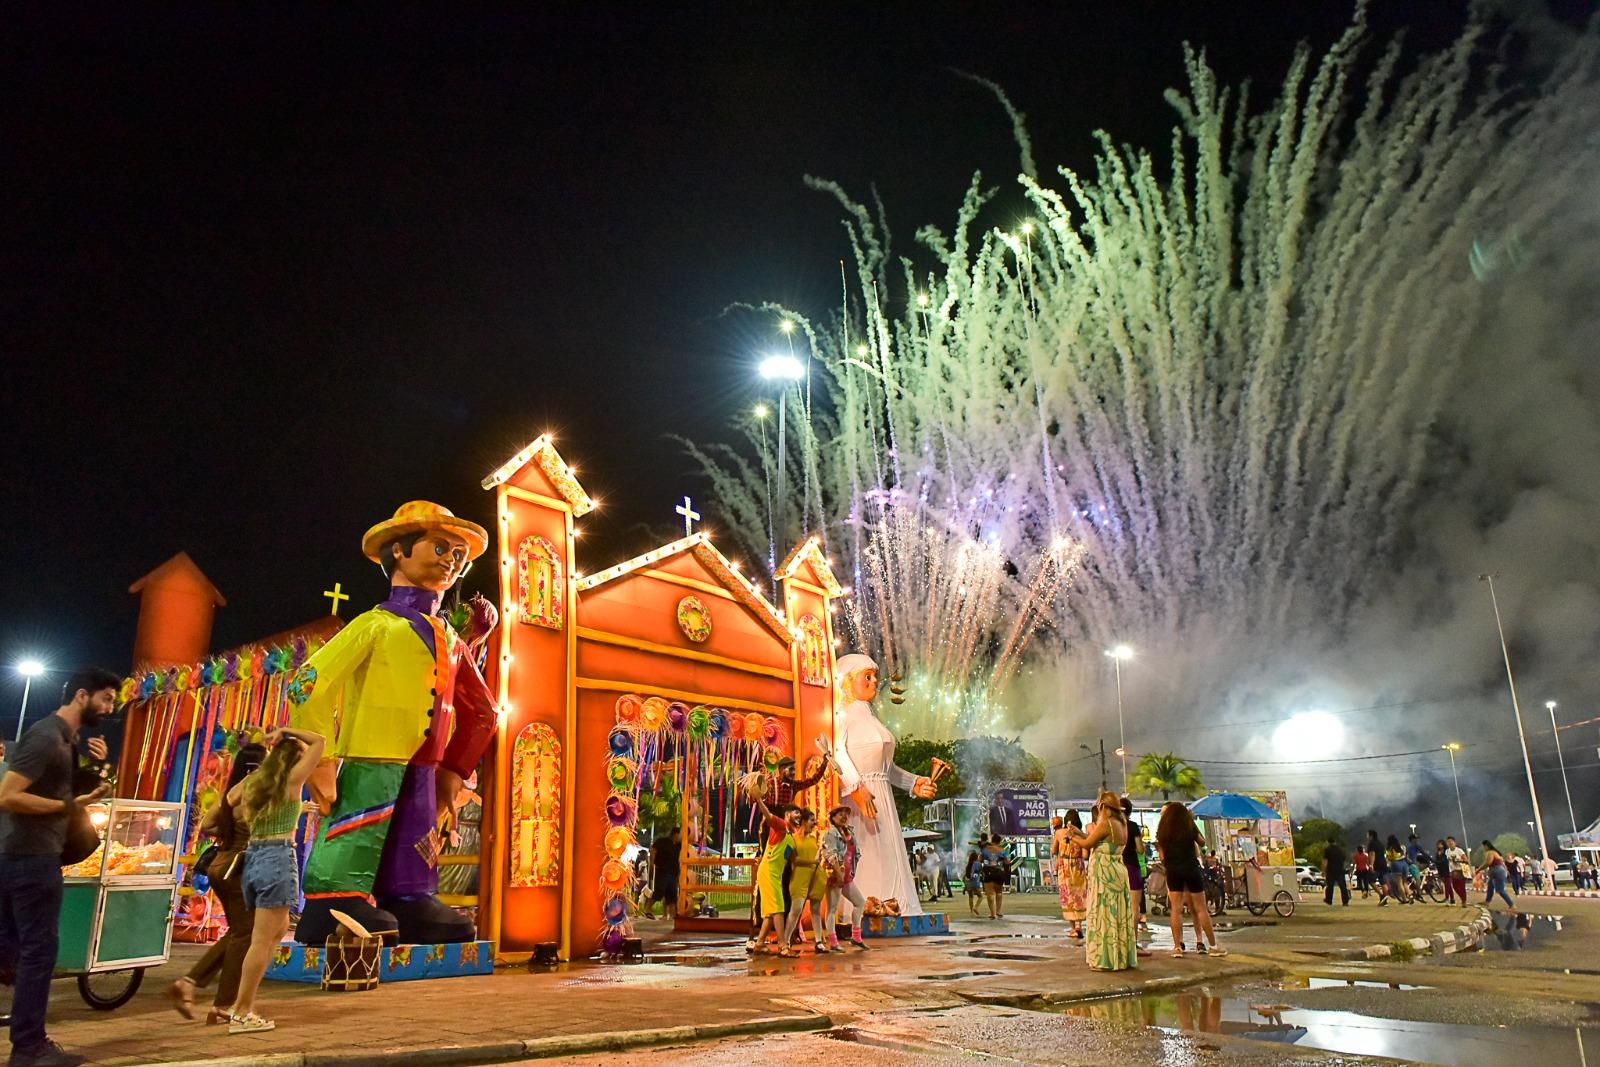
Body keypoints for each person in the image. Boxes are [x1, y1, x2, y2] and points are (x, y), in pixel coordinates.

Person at [285, 502, 498, 945]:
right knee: (356, 826)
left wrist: (453, 770)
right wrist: (318, 757)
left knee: (415, 844)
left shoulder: (451, 640)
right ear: (398, 551)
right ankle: (331, 901)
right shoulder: (375, 625)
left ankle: (410, 899)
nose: (451, 560)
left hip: (424, 765)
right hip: (370, 755)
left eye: (459, 555)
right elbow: (307, 682)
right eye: (441, 546)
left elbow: (484, 711)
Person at [0, 667, 118, 1067]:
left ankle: (28, 1043)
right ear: (82, 695)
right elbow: (9, 795)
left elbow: (54, 788)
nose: (109, 708)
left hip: (32, 855)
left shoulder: (67, 740)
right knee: (38, 952)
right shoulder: (47, 735)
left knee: (15, 950)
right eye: (106, 699)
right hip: (30, 859)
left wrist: (95, 775)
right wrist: (70, 807)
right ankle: (29, 1048)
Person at [223, 727, 323, 1033]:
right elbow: (320, 741)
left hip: (254, 857)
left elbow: (229, 798)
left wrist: (261, 767)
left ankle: (242, 1007)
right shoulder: (292, 782)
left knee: (277, 931)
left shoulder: (256, 783)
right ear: (294, 761)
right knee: (262, 940)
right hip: (277, 857)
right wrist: (285, 731)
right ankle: (242, 1010)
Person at [829, 654, 936, 915]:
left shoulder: (871, 717)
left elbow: (886, 769)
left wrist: (913, 783)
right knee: (867, 854)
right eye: (867, 676)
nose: (875, 681)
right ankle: (861, 907)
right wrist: (855, 787)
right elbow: (836, 752)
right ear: (847, 681)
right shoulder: (841, 716)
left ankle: (895, 902)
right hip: (859, 801)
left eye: (875, 676)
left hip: (882, 795)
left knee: (889, 853)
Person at [168, 743, 268, 1022]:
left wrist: (229, 833)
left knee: (237, 932)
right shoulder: (253, 793)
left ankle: (189, 983)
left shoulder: (231, 792)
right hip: (238, 869)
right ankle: (222, 1005)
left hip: (220, 866)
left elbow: (207, 826)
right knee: (245, 935)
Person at [1155, 801, 1224, 958]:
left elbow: (1163, 855)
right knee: (1201, 908)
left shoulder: (1163, 829)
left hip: (1173, 870)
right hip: (1190, 868)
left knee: (1176, 909)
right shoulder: (1188, 825)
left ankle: (1177, 947)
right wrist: (1192, 823)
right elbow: (1202, 842)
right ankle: (1213, 946)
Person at [1082, 792, 1137, 971]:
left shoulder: (1106, 824)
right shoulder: (1122, 824)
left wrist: (1073, 836)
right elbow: (1095, 841)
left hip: (1104, 872)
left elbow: (1087, 844)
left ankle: (1105, 959)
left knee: (1103, 913)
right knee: (1119, 913)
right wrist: (1079, 834)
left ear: (1104, 807)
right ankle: (1120, 957)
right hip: (1118, 870)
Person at [750, 800, 799, 955]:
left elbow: (795, 861)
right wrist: (758, 800)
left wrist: (816, 861)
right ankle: (783, 946)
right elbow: (768, 816)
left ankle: (759, 944)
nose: (798, 815)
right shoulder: (780, 826)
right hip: (768, 872)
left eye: (800, 813)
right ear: (787, 815)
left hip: (775, 875)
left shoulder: (792, 838)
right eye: (795, 812)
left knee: (771, 913)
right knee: (778, 909)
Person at [782, 809, 830, 953]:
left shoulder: (813, 839)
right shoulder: (792, 839)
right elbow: (793, 859)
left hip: (815, 877)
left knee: (815, 909)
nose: (814, 823)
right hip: (799, 878)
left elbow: (817, 859)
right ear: (803, 821)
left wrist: (821, 856)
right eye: (811, 820)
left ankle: (819, 941)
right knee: (795, 910)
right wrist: (811, 862)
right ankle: (785, 942)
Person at [821, 805, 868, 950]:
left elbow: (854, 853)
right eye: (840, 814)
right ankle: (834, 942)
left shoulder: (849, 832)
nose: (843, 816)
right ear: (833, 817)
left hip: (847, 877)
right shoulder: (831, 834)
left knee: (860, 902)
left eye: (846, 814)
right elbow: (831, 855)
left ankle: (856, 937)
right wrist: (838, 874)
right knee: (832, 909)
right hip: (836, 877)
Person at [1055, 809, 1088, 938]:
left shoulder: (1059, 833)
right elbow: (1085, 855)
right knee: (1079, 894)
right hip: (1078, 866)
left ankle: (1073, 929)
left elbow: (1053, 849)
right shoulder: (1081, 835)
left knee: (1067, 896)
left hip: (1064, 867)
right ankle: (1080, 925)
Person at [1120, 799, 1147, 931]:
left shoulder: (1113, 827)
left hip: (1116, 867)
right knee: (1134, 906)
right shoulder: (1133, 826)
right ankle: (1133, 942)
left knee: (1119, 906)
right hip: (1131, 866)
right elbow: (1140, 849)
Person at [648, 826, 681, 920]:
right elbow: (653, 849)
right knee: (659, 891)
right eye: (680, 835)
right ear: (675, 834)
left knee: (672, 894)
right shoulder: (663, 841)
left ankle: (673, 915)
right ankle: (648, 909)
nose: (681, 837)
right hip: (662, 870)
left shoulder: (679, 845)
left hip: (673, 872)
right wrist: (652, 863)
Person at [1479, 840, 1516, 910]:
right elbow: (1502, 864)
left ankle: (1512, 904)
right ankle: (1487, 901)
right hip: (1498, 871)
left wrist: (1478, 870)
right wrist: (1506, 871)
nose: (1483, 848)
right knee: (1490, 886)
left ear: (1486, 846)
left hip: (1497, 872)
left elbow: (1488, 863)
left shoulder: (1490, 852)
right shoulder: (1496, 853)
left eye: (1483, 846)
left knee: (1500, 890)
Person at [980, 833, 1009, 919]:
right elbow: (1007, 862)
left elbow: (979, 859)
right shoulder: (1002, 850)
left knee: (990, 894)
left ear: (992, 841)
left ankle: (993, 914)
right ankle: (998, 911)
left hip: (988, 872)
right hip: (999, 872)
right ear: (999, 841)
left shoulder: (985, 850)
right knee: (999, 893)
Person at [1323, 839, 1350, 906]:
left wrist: (1324, 870)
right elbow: (1344, 859)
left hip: (1331, 870)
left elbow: (1325, 861)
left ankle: (1329, 900)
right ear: (1335, 842)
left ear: (1328, 842)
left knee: (1330, 886)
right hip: (1340, 870)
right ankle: (1345, 901)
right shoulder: (1341, 850)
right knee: (1343, 887)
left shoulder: (1327, 850)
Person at [1433, 840, 1455, 904]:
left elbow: (1445, 861)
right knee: (1448, 885)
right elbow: (1436, 861)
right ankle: (1452, 899)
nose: (1439, 845)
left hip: (1447, 870)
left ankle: (1447, 898)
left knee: (1447, 885)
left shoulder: (1446, 852)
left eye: (1441, 844)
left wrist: (1437, 862)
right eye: (1438, 844)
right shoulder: (1437, 853)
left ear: (1443, 845)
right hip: (1441, 871)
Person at [963, 850, 983, 917]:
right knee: (980, 896)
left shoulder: (968, 864)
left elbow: (965, 875)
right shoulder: (978, 864)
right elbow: (981, 871)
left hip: (968, 883)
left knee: (970, 896)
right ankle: (975, 907)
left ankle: (971, 911)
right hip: (975, 882)